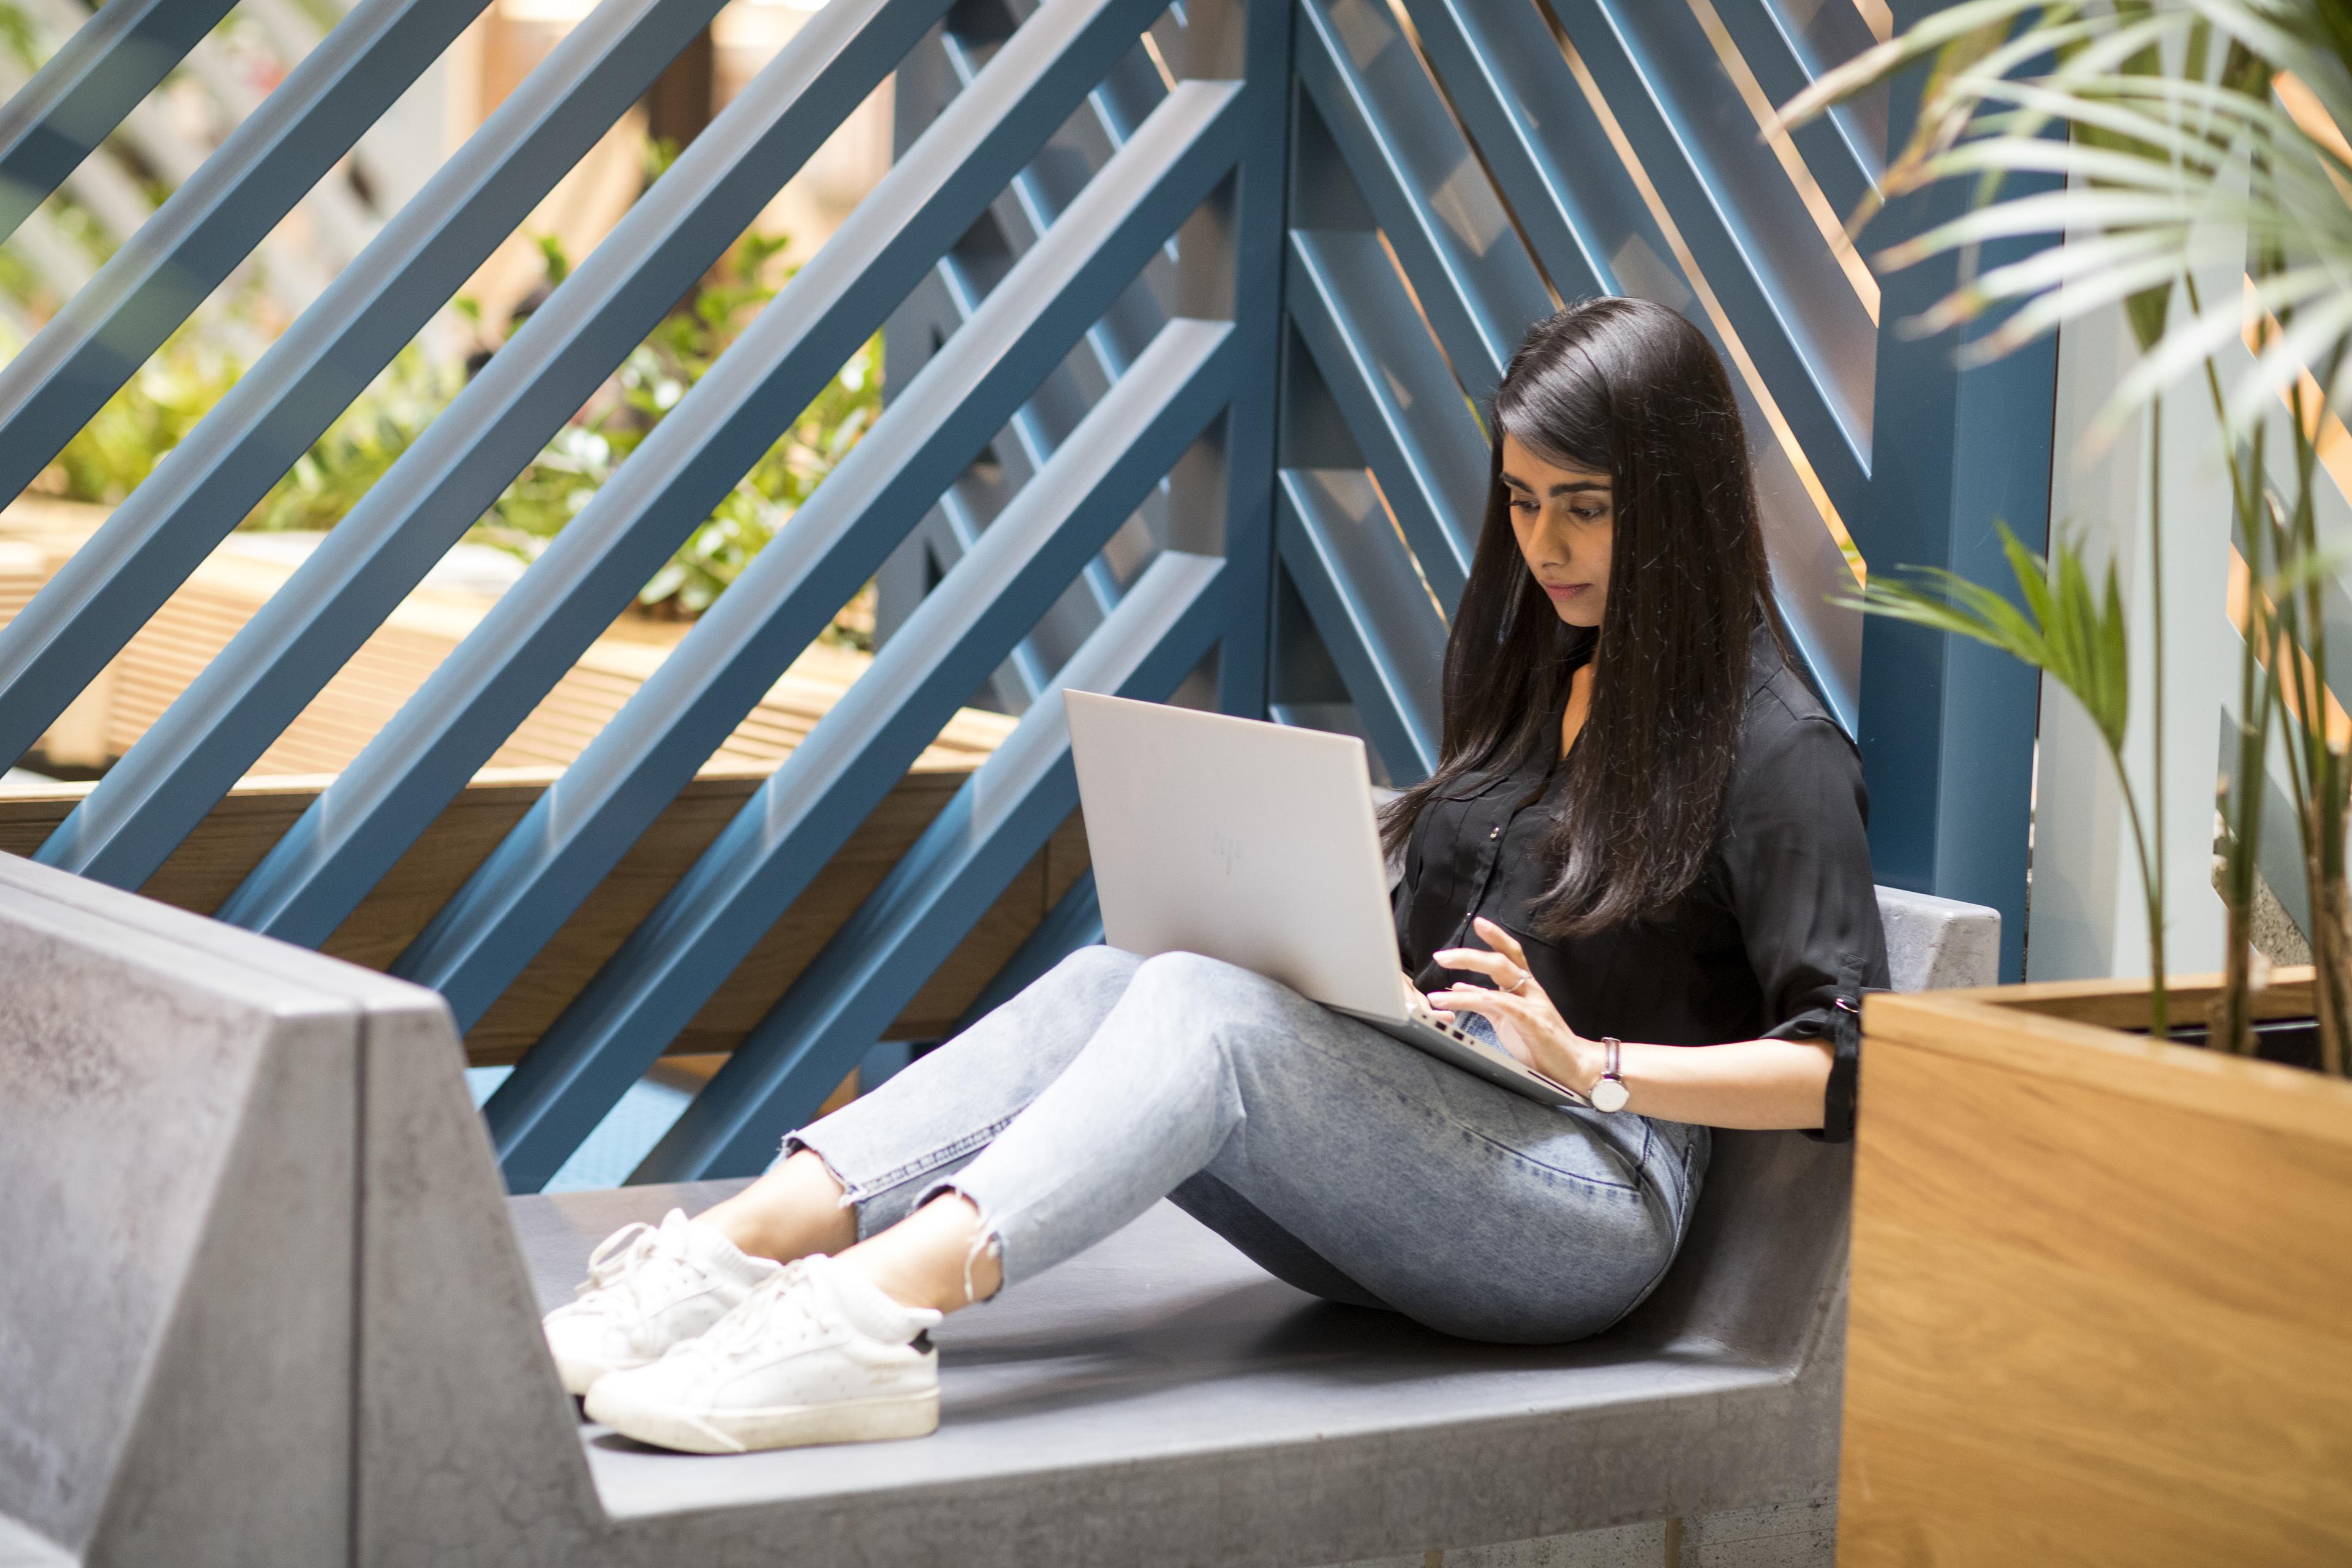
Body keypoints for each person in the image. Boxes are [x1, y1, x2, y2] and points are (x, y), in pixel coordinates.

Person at [543, 296, 1890, 1456]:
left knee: (1203, 1010)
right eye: (1525, 500)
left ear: (1679, 507)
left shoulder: (1778, 749)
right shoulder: (1545, 672)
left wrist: (1592, 1059)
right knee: (1122, 976)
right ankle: (733, 1253)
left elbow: (1852, 1064)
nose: (1546, 546)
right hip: (1444, 1141)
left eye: (1586, 510)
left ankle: (867, 1318)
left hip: (1596, 1195)